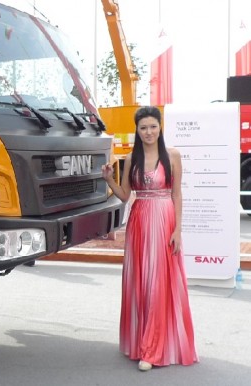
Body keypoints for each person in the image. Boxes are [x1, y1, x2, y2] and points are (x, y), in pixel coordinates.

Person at [101, 106, 198, 371]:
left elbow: (177, 194)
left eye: (153, 126)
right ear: (137, 129)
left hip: (164, 219)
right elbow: (124, 195)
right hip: (140, 221)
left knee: (158, 283)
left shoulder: (173, 155)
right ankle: (141, 341)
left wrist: (178, 230)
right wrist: (109, 179)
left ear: (160, 126)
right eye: (143, 127)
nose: (148, 132)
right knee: (141, 282)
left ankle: (153, 349)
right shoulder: (132, 158)